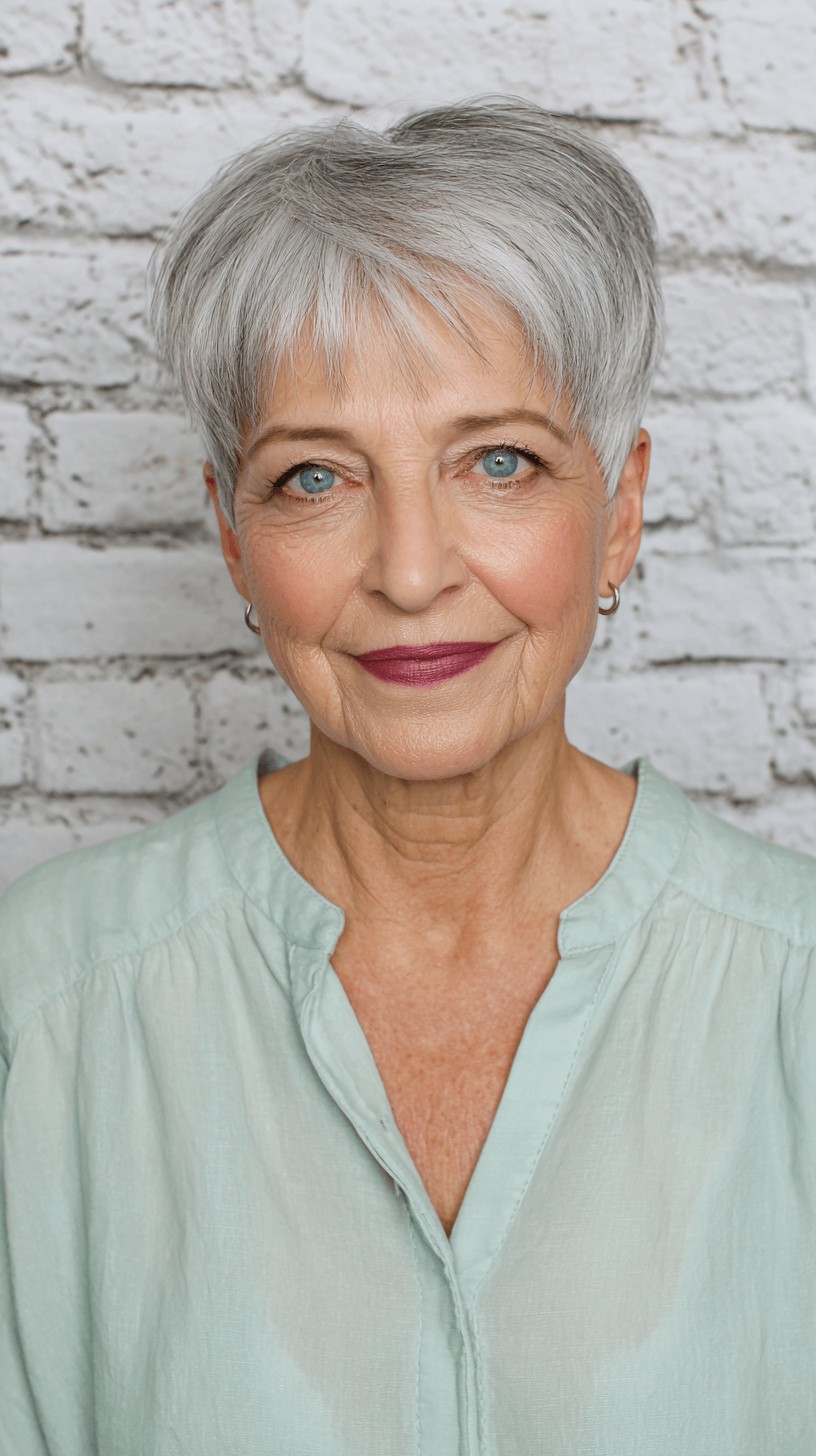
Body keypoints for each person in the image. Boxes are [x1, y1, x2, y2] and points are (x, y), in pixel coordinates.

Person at [1, 96, 814, 1456]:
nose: (414, 570)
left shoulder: (799, 989)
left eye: (500, 463)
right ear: (232, 536)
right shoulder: (45, 1004)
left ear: (616, 514)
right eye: (316, 478)